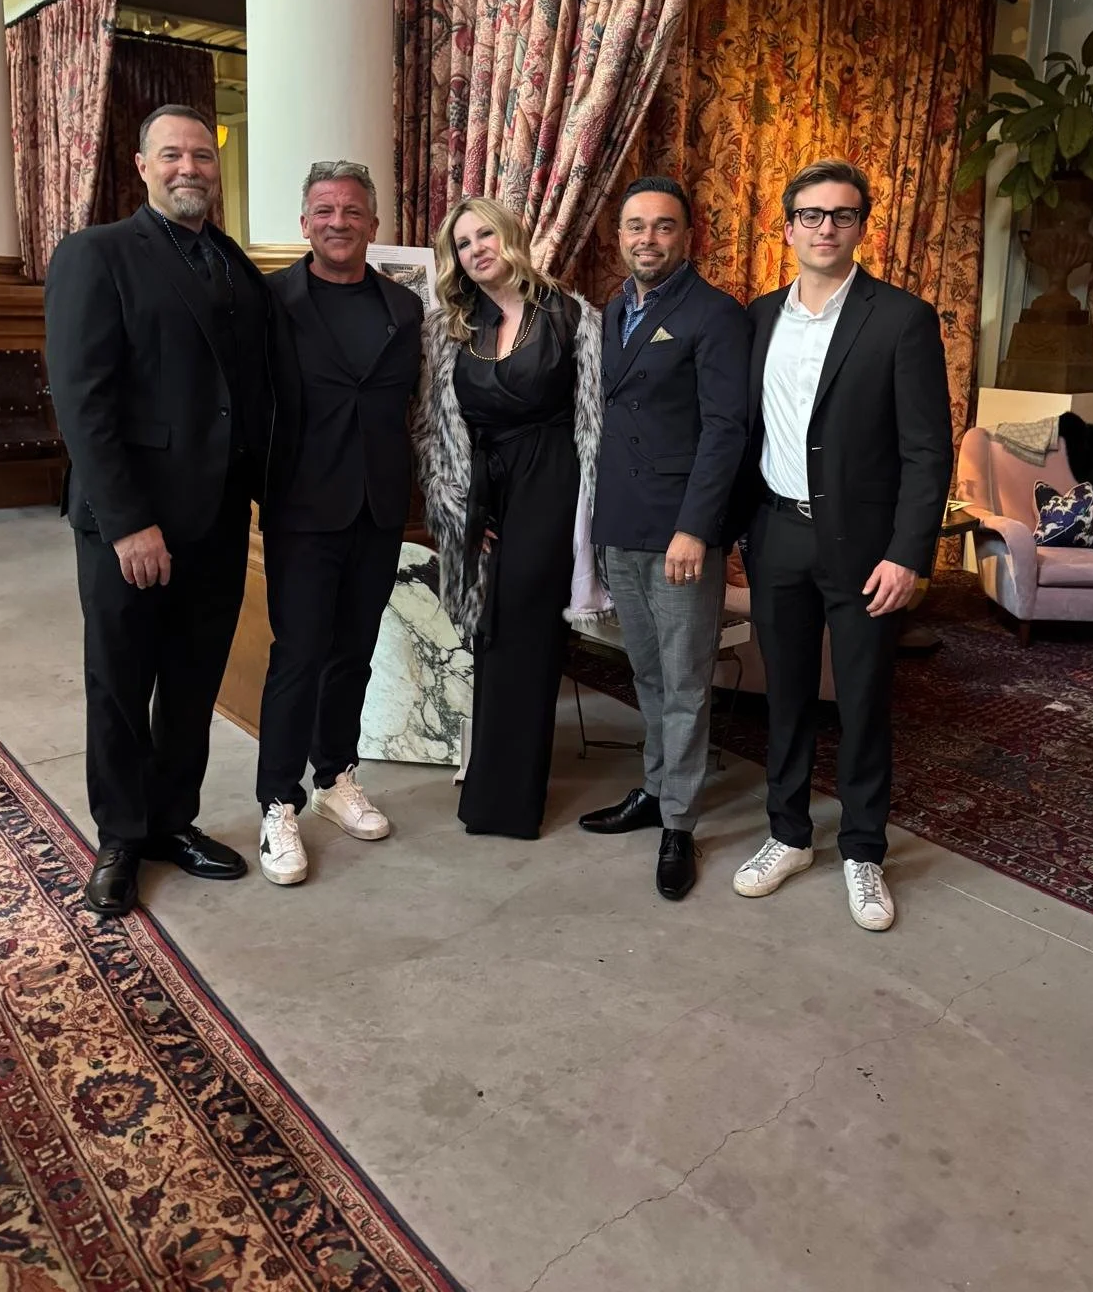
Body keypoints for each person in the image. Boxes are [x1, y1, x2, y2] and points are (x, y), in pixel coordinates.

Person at [44, 104, 284, 918]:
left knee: (191, 681)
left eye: (202, 157)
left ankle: (173, 820)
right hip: (132, 523)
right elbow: (84, 402)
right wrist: (127, 521)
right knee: (119, 680)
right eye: (172, 155)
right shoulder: (96, 254)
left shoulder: (236, 265)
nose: (190, 168)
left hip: (218, 516)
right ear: (140, 165)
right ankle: (120, 837)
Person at [731, 158, 953, 931]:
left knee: (861, 702)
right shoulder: (756, 317)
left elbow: (929, 451)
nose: (827, 228)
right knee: (785, 700)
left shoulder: (901, 318)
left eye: (843, 215)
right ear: (788, 227)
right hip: (776, 535)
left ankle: (862, 850)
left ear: (863, 226)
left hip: (866, 550)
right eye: (812, 215)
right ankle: (788, 834)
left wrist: (909, 552)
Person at [414, 197, 606, 840]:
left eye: (484, 235)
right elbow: (441, 430)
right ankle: (491, 787)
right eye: (464, 244)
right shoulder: (453, 324)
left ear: (511, 235)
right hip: (482, 491)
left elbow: (591, 421)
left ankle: (512, 800)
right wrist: (466, 507)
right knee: (491, 629)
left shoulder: (569, 315)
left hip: (550, 481)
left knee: (525, 628)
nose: (476, 250)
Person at [255, 161, 423, 886]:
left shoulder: (404, 308)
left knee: (354, 652)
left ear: (374, 226)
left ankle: (334, 779)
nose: (338, 222)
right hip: (301, 508)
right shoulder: (272, 302)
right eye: (324, 210)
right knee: (298, 656)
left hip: (379, 507)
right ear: (304, 224)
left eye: (352, 211)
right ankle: (277, 803)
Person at [580, 177, 749, 901]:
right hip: (621, 524)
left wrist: (697, 528)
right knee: (645, 673)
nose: (647, 238)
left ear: (689, 236)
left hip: (681, 532)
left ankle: (678, 821)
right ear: (619, 235)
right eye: (635, 226)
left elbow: (726, 430)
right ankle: (653, 789)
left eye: (663, 227)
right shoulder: (616, 307)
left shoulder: (715, 314)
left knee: (684, 681)